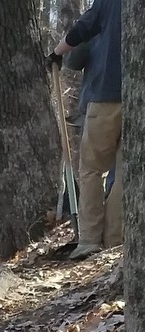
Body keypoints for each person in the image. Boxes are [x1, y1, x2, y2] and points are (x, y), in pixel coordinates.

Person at [54, 0, 122, 259]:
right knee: (127, 172)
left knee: (92, 169)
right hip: (136, 99)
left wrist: (56, 53)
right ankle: (116, 239)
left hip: (104, 95)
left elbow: (80, 35)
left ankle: (90, 240)